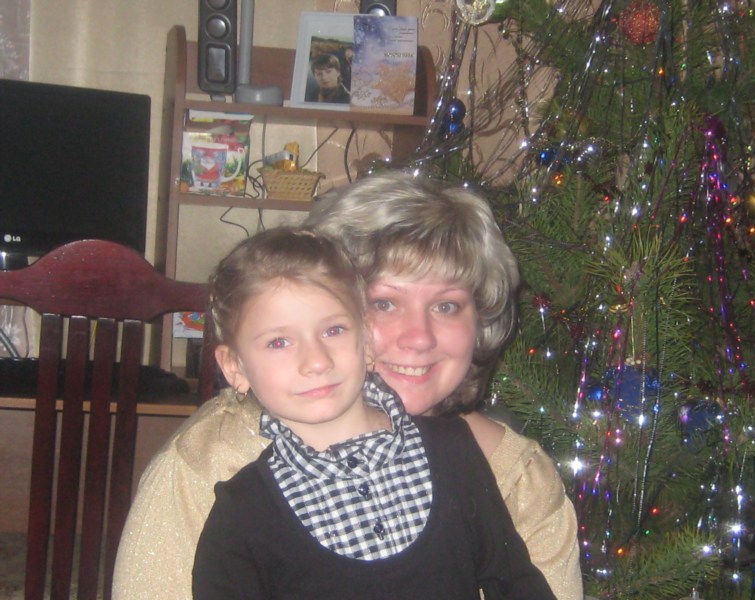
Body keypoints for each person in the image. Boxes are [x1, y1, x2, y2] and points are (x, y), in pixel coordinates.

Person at [112, 171, 583, 600]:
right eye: (384, 303)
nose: (419, 338)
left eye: (447, 306)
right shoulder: (209, 465)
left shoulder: (519, 477)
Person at [191, 227, 556, 599]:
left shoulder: (454, 450)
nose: (316, 361)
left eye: (333, 330)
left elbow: (515, 582)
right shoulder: (241, 513)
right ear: (234, 367)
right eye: (279, 342)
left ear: (366, 342)